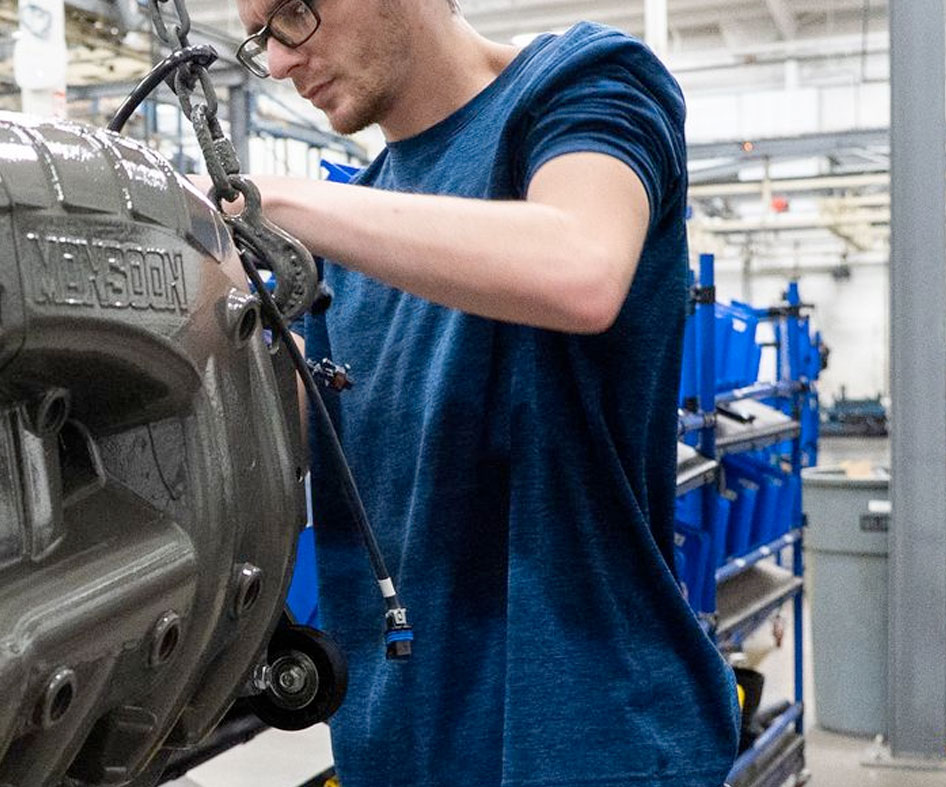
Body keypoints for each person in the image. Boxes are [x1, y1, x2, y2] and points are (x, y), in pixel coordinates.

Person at [220, 0, 738, 783]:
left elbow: (580, 268)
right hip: (399, 745)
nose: (283, 61)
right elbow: (289, 435)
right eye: (261, 38)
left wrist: (271, 201)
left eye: (293, 11)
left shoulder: (578, 83)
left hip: (588, 737)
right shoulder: (349, 245)